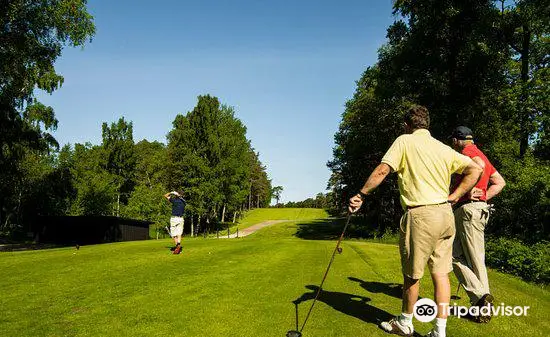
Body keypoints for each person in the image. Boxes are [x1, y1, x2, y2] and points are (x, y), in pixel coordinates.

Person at [348, 105, 482, 337]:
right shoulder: (441, 147)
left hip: (420, 215)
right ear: (427, 124)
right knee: (441, 274)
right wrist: (455, 196)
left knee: (412, 275)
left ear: (407, 125)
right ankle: (440, 331)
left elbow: (382, 171)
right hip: (445, 214)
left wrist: (361, 194)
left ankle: (405, 323)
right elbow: (475, 169)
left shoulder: (404, 141)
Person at [449, 126, 506, 323]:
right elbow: (499, 182)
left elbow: (478, 166)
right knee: (456, 256)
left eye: (453, 141)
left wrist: (468, 193)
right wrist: (484, 196)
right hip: (476, 209)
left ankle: (482, 301)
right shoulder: (481, 153)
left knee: (472, 259)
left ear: (457, 140)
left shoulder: (468, 153)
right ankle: (481, 302)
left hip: (468, 210)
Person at [164, 190, 186, 254]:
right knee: (179, 234)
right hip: (181, 219)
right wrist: (177, 194)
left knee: (174, 234)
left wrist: (171, 192)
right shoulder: (184, 202)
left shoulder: (174, 201)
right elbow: (181, 198)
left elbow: (165, 195)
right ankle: (178, 245)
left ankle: (177, 246)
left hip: (174, 219)